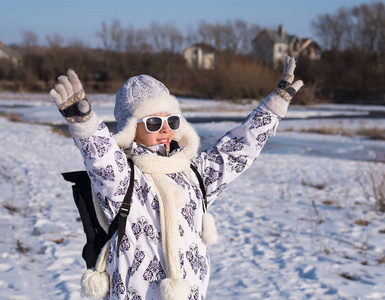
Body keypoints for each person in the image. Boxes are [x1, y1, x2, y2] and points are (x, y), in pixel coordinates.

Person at [50, 56, 303, 300]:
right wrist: (85, 126)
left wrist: (274, 106)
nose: (164, 129)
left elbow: (237, 149)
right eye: (152, 122)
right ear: (131, 128)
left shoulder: (192, 173)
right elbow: (102, 160)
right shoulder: (124, 179)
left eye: (171, 120)